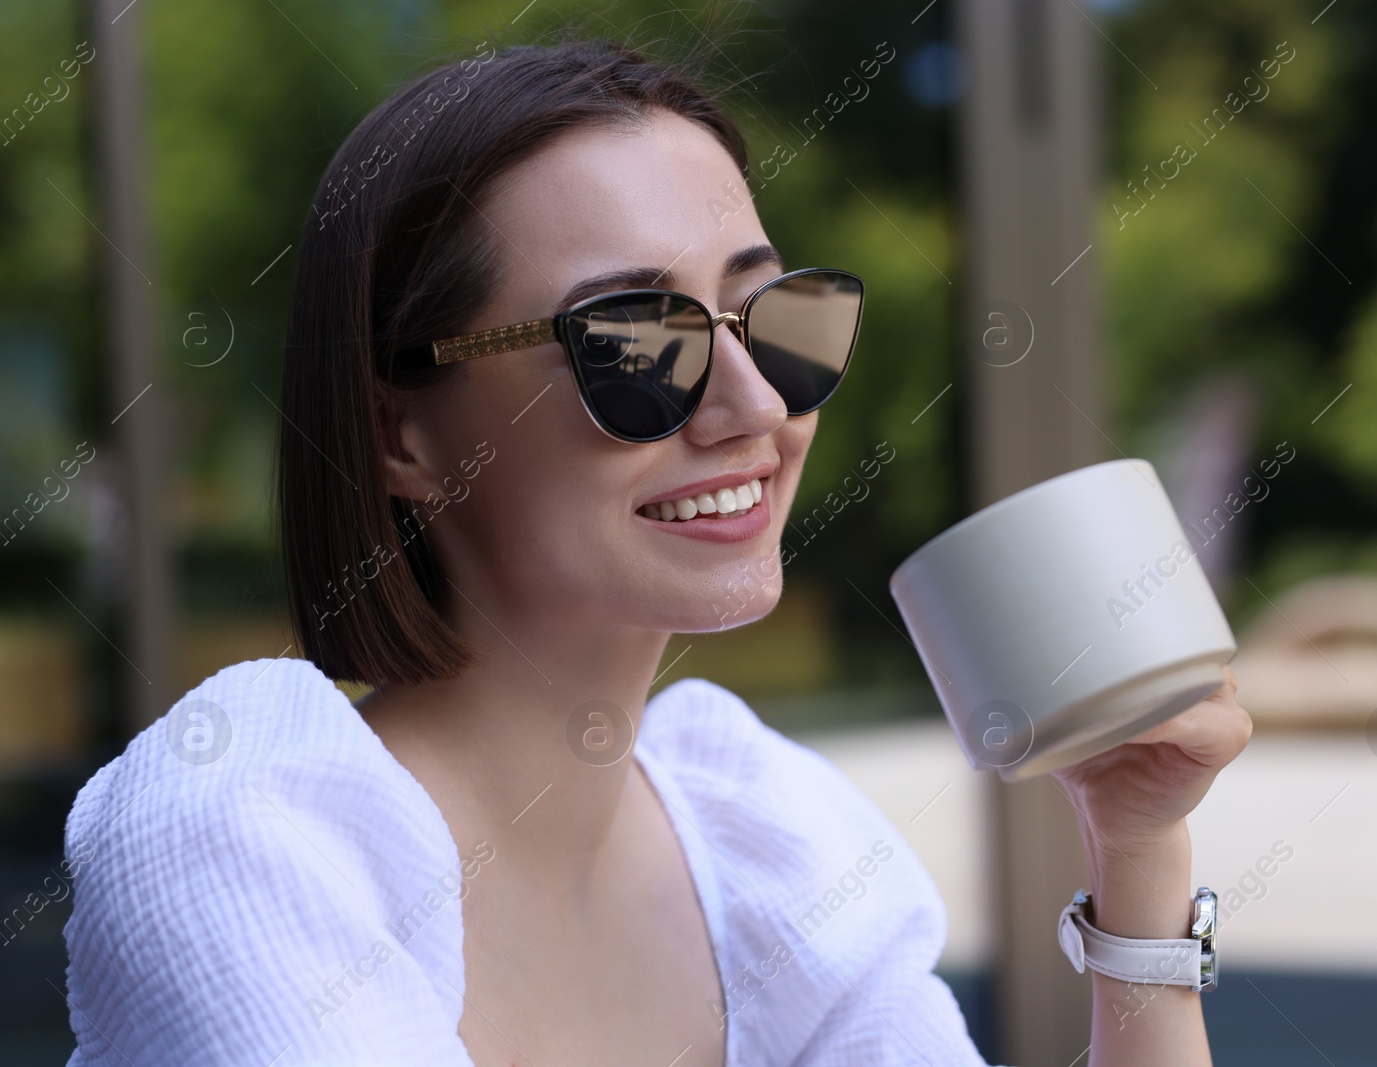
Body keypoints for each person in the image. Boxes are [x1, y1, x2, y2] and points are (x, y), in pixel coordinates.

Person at [60, 35, 1251, 1066]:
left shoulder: (768, 843)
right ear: (399, 431)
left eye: (776, 317)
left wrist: (1136, 846)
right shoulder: (244, 830)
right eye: (634, 343)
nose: (751, 406)